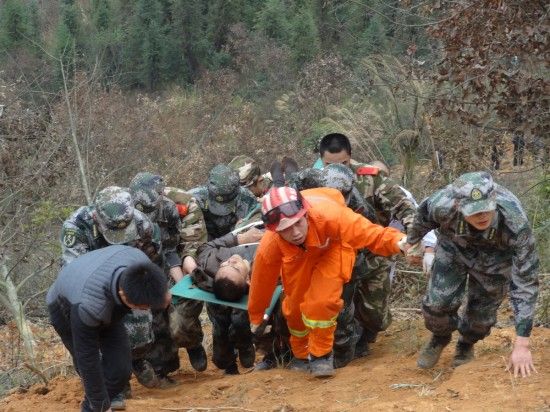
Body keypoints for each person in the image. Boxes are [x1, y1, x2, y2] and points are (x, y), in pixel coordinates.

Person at [248, 186, 407, 378]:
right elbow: (261, 282)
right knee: (295, 307)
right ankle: (300, 353)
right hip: (298, 257)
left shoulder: (331, 216)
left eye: (298, 223)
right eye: (286, 229)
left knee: (321, 302)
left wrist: (400, 242)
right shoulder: (271, 244)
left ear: (305, 214)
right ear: (275, 231)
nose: (295, 232)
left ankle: (320, 356)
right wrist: (256, 317)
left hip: (333, 247)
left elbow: (370, 233)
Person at [405, 171, 539, 377]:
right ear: (458, 206)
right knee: (436, 305)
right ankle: (440, 337)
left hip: (496, 258)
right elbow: (423, 217)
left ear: (494, 199)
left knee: (482, 318)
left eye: (486, 208)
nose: (482, 215)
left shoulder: (515, 223)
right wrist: (412, 241)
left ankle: (465, 344)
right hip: (454, 248)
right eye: (474, 211)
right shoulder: (442, 204)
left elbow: (526, 283)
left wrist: (522, 343)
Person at [317, 133, 418, 355]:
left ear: (351, 158)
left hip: (373, 253)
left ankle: (367, 331)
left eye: (343, 164)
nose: (337, 170)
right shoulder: (312, 181)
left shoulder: (370, 178)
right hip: (334, 256)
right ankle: (344, 341)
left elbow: (404, 206)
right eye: (328, 165)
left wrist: (413, 237)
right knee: (333, 306)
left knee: (376, 317)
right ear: (320, 161)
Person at [47, 245, 170, 412]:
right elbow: (87, 358)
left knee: (120, 369)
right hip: (64, 305)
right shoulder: (90, 306)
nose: (144, 310)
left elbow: (154, 287)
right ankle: (93, 407)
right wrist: (101, 405)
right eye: (140, 307)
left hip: (103, 290)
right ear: (123, 295)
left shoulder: (142, 264)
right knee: (91, 366)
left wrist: (162, 293)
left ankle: (98, 403)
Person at [129, 173, 207, 386]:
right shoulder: (126, 216)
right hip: (139, 268)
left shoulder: (171, 209)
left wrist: (179, 281)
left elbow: (171, 248)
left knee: (179, 312)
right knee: (154, 319)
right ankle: (163, 369)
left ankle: (192, 342)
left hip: (165, 262)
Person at [194, 227, 264, 374]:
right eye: (231, 266)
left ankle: (245, 346)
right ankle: (227, 361)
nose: (230, 261)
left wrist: (238, 239)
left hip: (247, 297)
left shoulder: (211, 263)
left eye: (229, 265)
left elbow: (205, 247)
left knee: (240, 319)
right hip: (223, 296)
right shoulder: (211, 264)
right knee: (220, 321)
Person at [189, 164, 259, 240]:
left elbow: (255, 227)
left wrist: (242, 226)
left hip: (235, 242)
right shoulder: (193, 198)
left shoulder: (248, 200)